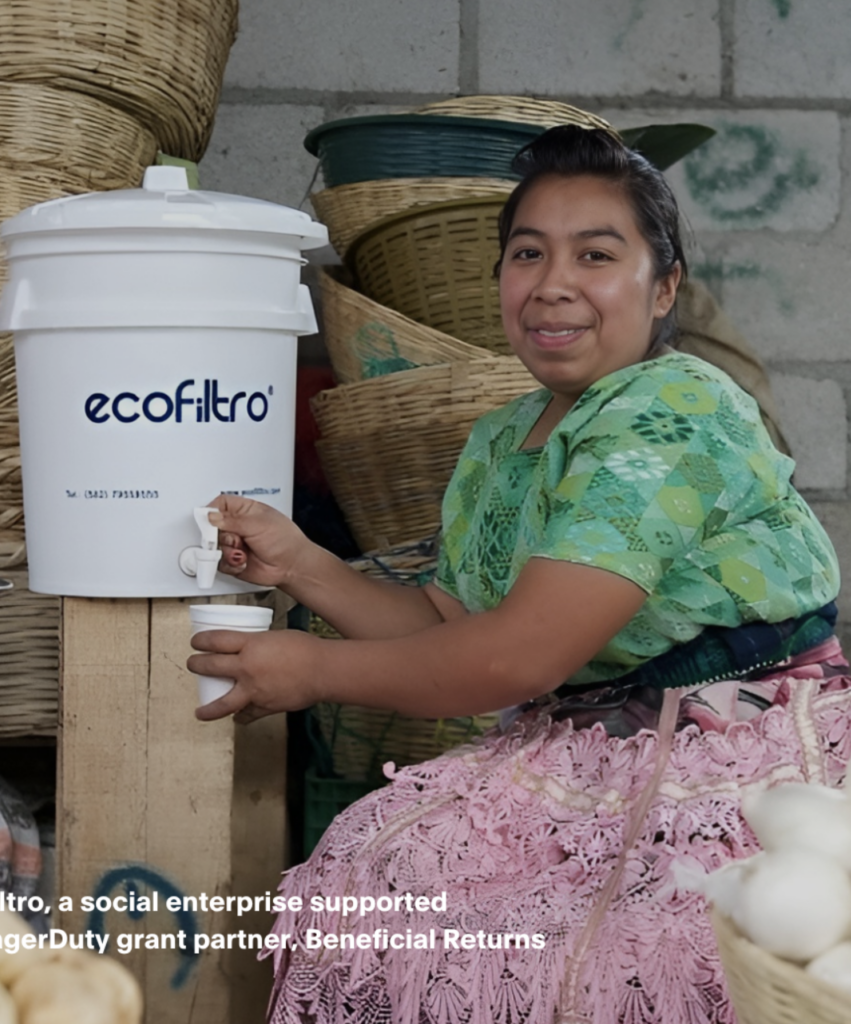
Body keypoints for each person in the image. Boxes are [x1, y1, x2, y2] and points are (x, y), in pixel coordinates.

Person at [188, 126, 849, 1024]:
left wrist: (309, 674)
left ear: (663, 289)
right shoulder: (506, 437)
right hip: (585, 753)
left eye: (596, 254)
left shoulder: (676, 410)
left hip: (735, 755)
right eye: (527, 253)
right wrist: (300, 563)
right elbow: (447, 626)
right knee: (374, 888)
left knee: (618, 965)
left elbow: (519, 657)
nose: (553, 284)